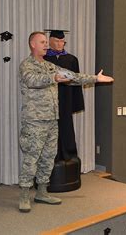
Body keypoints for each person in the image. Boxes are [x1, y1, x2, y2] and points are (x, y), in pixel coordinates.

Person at [18, 31, 113, 213]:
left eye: (47, 42)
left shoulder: (50, 66)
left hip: (52, 120)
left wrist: (95, 78)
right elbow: (32, 81)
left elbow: (73, 77)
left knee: (48, 157)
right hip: (35, 121)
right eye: (42, 42)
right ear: (32, 44)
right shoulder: (27, 65)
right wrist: (52, 78)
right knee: (31, 158)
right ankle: (24, 194)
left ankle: (42, 192)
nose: (46, 45)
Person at [44, 30, 84, 162]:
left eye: (62, 41)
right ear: (49, 41)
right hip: (48, 101)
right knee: (50, 131)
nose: (60, 44)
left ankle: (68, 154)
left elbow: (77, 81)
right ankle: (52, 157)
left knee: (66, 127)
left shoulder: (71, 59)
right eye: (57, 41)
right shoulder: (44, 58)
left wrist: (76, 103)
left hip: (66, 99)